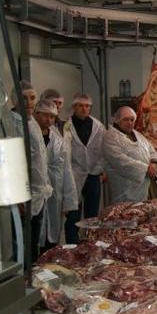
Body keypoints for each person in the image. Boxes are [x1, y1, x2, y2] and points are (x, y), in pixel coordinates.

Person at [12, 81, 53, 262]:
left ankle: (33, 281)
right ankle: (22, 282)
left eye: (32, 98)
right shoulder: (11, 123)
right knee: (22, 244)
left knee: (34, 241)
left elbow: (39, 159)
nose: (29, 102)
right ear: (14, 100)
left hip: (39, 193)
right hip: (23, 195)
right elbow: (12, 163)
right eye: (24, 98)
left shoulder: (32, 122)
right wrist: (18, 195)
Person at [33, 99, 78, 250]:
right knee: (34, 232)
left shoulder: (58, 140)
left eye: (52, 116)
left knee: (52, 233)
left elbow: (67, 170)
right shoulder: (29, 136)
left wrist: (69, 201)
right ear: (36, 114)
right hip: (34, 192)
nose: (48, 120)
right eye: (44, 115)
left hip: (54, 191)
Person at [63, 92, 105, 243]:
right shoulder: (66, 126)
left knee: (92, 215)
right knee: (74, 214)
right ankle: (72, 246)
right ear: (74, 107)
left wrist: (99, 169)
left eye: (87, 106)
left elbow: (103, 151)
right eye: (80, 106)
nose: (84, 109)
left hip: (93, 174)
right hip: (74, 174)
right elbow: (64, 152)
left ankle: (90, 244)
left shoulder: (98, 126)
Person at [102, 106, 157, 204]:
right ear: (117, 120)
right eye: (125, 120)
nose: (130, 123)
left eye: (132, 120)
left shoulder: (137, 134)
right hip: (126, 190)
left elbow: (152, 151)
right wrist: (146, 168)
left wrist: (155, 164)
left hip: (146, 187)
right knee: (126, 217)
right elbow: (120, 162)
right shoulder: (110, 138)